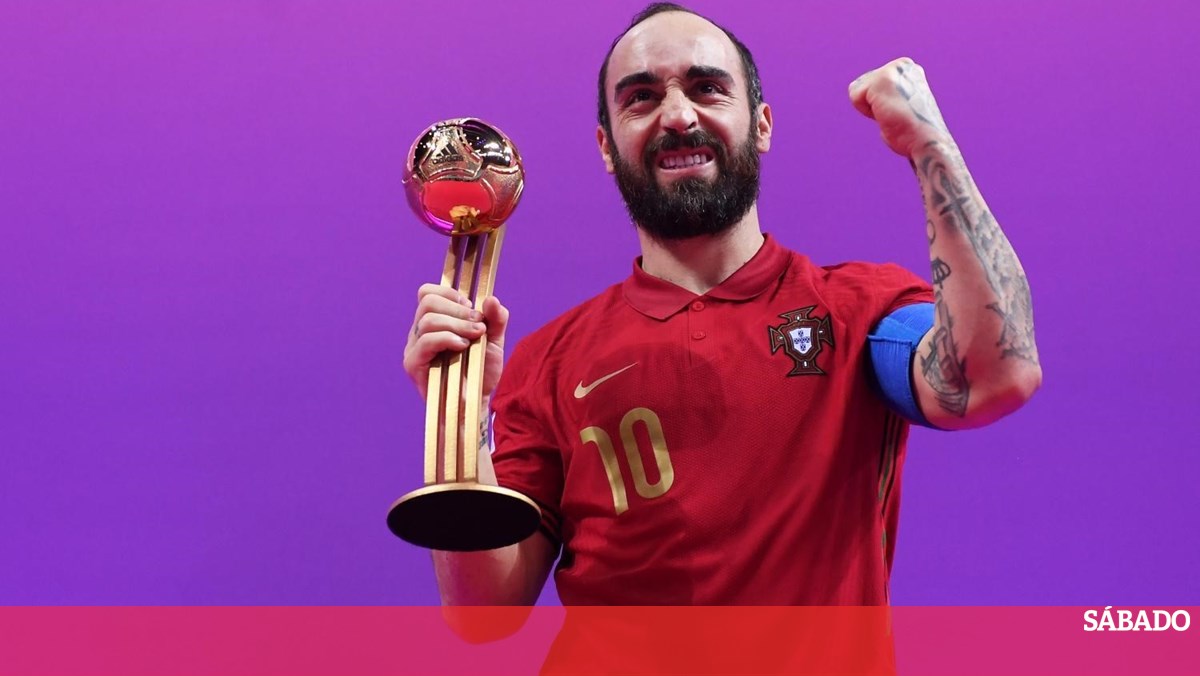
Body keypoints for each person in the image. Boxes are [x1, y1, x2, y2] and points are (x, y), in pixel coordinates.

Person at [403, 3, 1041, 609]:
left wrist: (931, 146)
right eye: (642, 97)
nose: (677, 116)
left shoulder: (860, 312)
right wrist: (457, 412)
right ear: (606, 145)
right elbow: (482, 608)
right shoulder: (548, 361)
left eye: (707, 88)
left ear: (761, 123)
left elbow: (994, 377)